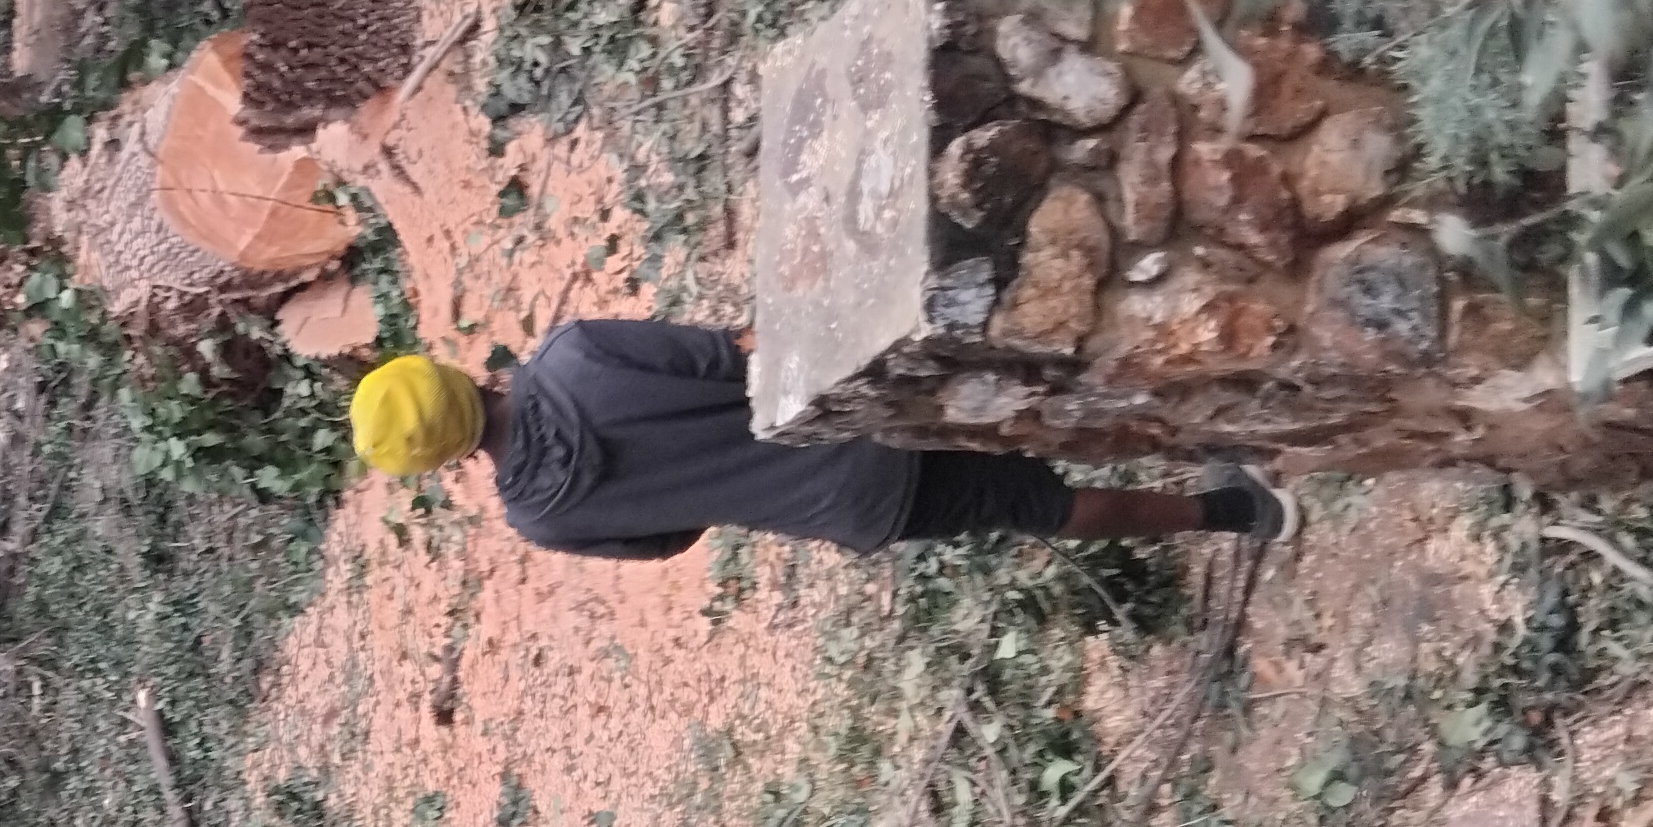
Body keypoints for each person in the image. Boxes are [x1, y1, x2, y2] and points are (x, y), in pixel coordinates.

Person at [346, 325, 1299, 560]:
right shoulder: (577, 355)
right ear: (452, 374)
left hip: (857, 505)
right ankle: (1208, 416)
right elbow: (742, 356)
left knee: (1035, 507)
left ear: (442, 461)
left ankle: (1231, 510)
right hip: (865, 406)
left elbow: (675, 540)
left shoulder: (540, 521)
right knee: (1024, 401)